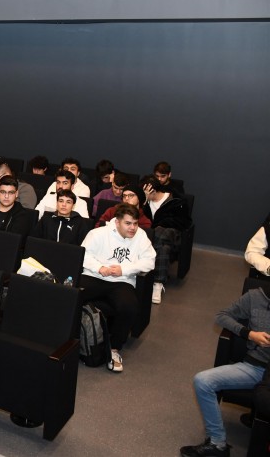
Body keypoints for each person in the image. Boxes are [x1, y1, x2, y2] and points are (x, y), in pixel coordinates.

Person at [180, 283, 270, 457]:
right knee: (203, 381)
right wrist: (249, 334)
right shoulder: (255, 297)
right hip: (255, 367)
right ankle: (217, 443)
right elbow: (221, 316)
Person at [79, 203, 156, 373]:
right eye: (128, 223)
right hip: (95, 276)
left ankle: (114, 349)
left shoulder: (141, 236)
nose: (133, 228)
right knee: (72, 294)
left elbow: (150, 261)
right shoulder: (98, 233)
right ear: (117, 222)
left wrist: (125, 269)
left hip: (122, 281)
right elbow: (83, 254)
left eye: (135, 223)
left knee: (129, 307)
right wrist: (100, 268)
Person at [141, 174, 192, 303]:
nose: (143, 195)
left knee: (159, 233)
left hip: (171, 234)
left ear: (153, 191)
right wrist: (145, 202)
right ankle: (158, 282)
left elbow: (184, 222)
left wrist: (163, 224)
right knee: (163, 248)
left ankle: (151, 277)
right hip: (155, 238)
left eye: (145, 192)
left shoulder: (176, 201)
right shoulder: (145, 202)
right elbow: (139, 217)